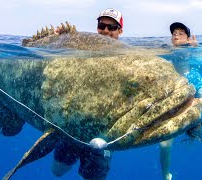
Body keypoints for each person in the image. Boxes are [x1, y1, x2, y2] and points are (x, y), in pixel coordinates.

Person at [51, 8, 123, 180]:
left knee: (94, 177)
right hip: (74, 125)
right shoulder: (83, 47)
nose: (106, 31)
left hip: (103, 133)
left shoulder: (127, 55)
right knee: (57, 171)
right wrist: (57, 40)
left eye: (112, 27)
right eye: (102, 25)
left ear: (120, 30)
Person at [159, 22, 202, 180]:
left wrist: (199, 103)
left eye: (181, 33)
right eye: (174, 33)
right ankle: (166, 175)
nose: (176, 35)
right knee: (164, 144)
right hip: (176, 106)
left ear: (188, 38)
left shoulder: (194, 73)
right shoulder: (166, 52)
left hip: (194, 107)